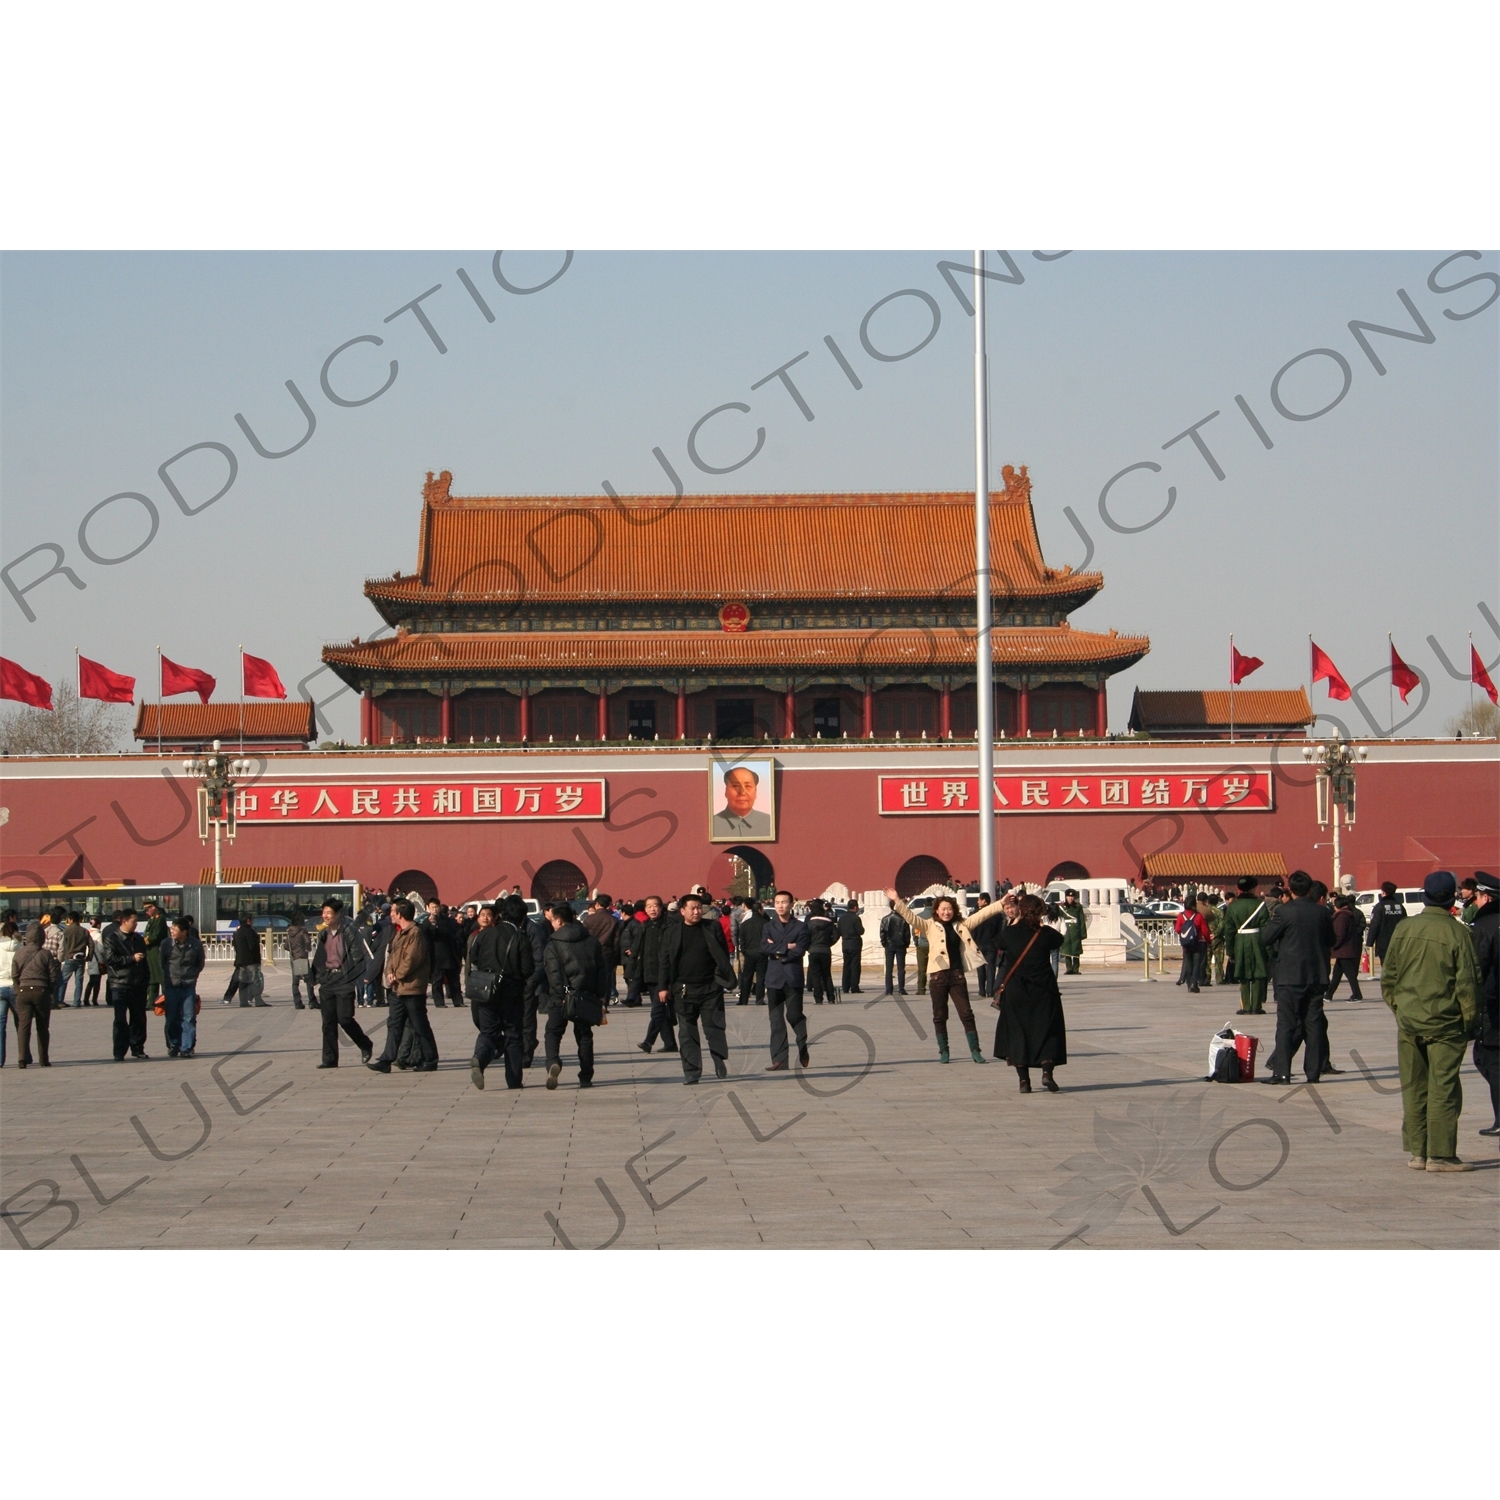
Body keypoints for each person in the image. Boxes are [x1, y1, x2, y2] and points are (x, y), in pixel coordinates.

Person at [1380, 870, 1482, 1171]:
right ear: (1453, 897)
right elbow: (1467, 985)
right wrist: (1470, 1021)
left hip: (1410, 1021)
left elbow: (1390, 978)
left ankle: (1418, 1151)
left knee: (1414, 1086)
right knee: (1444, 1087)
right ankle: (1441, 1154)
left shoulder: (1404, 928)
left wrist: (1401, 1008)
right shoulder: (1459, 934)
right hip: (1446, 1024)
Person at [885, 888, 1007, 1065]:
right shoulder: (929, 926)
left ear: (954, 910)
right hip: (938, 977)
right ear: (936, 910)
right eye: (943, 909)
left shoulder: (961, 925)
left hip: (956, 975)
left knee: (966, 1013)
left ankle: (975, 1050)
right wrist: (897, 900)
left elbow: (982, 915)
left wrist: (1000, 904)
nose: (946, 912)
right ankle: (944, 1050)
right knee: (939, 1015)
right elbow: (910, 917)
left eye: (949, 909)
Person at [1257, 869, 1336, 1085]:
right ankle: (1313, 1073)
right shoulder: (1322, 913)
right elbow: (1331, 940)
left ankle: (1282, 1072)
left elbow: (1266, 937)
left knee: (1286, 1025)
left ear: (1290, 889)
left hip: (1290, 977)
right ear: (1310, 889)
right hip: (1316, 975)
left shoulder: (1285, 912)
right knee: (1314, 1024)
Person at [990, 892, 1069, 1092]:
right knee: (1047, 1031)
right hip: (1044, 990)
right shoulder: (1047, 934)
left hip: (1017, 991)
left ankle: (1023, 1080)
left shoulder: (1009, 933)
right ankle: (1046, 1071)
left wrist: (1014, 921)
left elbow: (997, 943)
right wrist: (1039, 924)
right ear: (1041, 911)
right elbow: (1059, 940)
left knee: (1018, 1033)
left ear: (1020, 910)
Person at [658, 891, 735, 1084]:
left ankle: (718, 1059)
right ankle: (692, 1072)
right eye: (692, 908)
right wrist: (663, 987)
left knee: (714, 1028)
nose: (697, 911)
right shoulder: (672, 932)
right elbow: (665, 962)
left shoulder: (712, 927)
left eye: (699, 908)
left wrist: (720, 979)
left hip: (710, 988)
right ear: (682, 911)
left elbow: (722, 957)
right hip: (683, 990)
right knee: (687, 1033)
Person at [466, 896, 535, 1090]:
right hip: (512, 992)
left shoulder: (485, 934)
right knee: (513, 1034)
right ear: (522, 917)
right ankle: (514, 1080)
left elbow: (475, 958)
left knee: (488, 1031)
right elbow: (528, 968)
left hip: (486, 991)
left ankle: (479, 1058)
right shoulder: (520, 937)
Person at [542, 901, 607, 1089]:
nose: (552, 923)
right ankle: (586, 1076)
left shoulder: (554, 944)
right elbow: (601, 970)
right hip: (586, 995)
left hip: (561, 996)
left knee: (553, 1032)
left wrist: (560, 994)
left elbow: (553, 974)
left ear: (560, 921)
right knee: (584, 1035)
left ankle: (553, 1061)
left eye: (553, 920)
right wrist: (600, 995)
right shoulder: (591, 940)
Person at [365, 899, 432, 1072]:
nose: (391, 914)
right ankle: (386, 1060)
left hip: (411, 987)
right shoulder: (399, 932)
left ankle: (431, 1058)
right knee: (394, 1023)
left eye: (393, 911)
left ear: (400, 914)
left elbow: (412, 959)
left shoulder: (415, 933)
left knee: (419, 1024)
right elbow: (392, 957)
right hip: (397, 988)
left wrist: (397, 975)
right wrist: (389, 972)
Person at [309, 897, 376, 1069]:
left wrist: (354, 977)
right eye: (324, 912)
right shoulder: (323, 933)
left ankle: (365, 1044)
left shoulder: (349, 932)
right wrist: (316, 977)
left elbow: (356, 956)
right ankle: (329, 1059)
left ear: (338, 914)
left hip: (344, 979)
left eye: (329, 913)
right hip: (328, 980)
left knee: (345, 1018)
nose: (325, 915)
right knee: (328, 1022)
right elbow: (320, 957)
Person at [761, 890, 810, 1071]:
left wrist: (777, 950)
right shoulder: (768, 926)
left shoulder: (800, 927)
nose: (780, 905)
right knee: (776, 1020)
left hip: (792, 977)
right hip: (773, 979)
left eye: (784, 902)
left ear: (791, 904)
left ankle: (802, 1043)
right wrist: (786, 947)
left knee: (794, 1015)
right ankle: (780, 1060)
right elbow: (764, 947)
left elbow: (801, 949)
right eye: (777, 902)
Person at [1466, 871, 1498, 1137]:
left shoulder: (1485, 928)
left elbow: (1476, 971)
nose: (1475, 902)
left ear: (1486, 897)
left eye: (1477, 897)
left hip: (1493, 1009)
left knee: (1487, 1060)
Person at [101, 908, 151, 1060]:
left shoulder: (138, 938)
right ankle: (119, 1051)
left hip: (138, 985)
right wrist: (131, 958)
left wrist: (145, 980)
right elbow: (111, 960)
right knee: (120, 1020)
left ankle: (137, 1047)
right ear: (124, 921)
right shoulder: (112, 938)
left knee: (139, 1019)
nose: (136, 924)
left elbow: (144, 961)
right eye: (134, 921)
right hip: (120, 984)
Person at [12, 920, 59, 1068]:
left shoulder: (19, 953)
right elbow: (53, 975)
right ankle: (43, 1058)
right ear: (41, 937)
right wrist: (50, 990)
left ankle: (21, 1058)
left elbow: (14, 975)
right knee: (42, 1027)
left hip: (23, 991)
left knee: (23, 1026)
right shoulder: (45, 954)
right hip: (42, 990)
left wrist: (17, 989)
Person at [635, 895, 678, 1052]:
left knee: (658, 1010)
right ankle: (670, 1043)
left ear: (662, 908)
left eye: (655, 906)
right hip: (650, 974)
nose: (652, 909)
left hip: (665, 975)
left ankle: (648, 1041)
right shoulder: (645, 926)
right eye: (649, 906)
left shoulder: (669, 926)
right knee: (662, 1010)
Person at [1223, 877, 1271, 1014]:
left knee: (1242, 973)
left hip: (1240, 940)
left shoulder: (1233, 906)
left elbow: (1229, 930)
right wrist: (1269, 949)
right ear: (1253, 888)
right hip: (1257, 939)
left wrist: (1230, 949)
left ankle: (1245, 1006)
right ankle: (1256, 1006)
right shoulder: (1260, 905)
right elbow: (1266, 928)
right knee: (1257, 973)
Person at [160, 915, 205, 1059]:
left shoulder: (196, 945)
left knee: (189, 1017)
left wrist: (192, 976)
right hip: (171, 986)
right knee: (172, 1018)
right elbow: (162, 964)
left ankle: (186, 1047)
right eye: (171, 928)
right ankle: (174, 1045)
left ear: (184, 931)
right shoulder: (166, 944)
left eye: (174, 929)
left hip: (188, 986)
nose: (171, 931)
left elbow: (200, 963)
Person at [1327, 894, 1367, 1001]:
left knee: (1350, 975)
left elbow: (1340, 934)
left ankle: (1357, 995)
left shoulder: (1342, 917)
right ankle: (1328, 995)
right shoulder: (1350, 914)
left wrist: (1333, 946)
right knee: (1337, 974)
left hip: (1344, 950)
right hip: (1346, 950)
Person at [581, 894, 620, 1004]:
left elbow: (584, 936)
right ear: (608, 905)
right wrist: (615, 955)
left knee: (592, 977)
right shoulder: (613, 920)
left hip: (591, 952)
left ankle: (593, 1001)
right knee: (606, 979)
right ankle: (604, 1002)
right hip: (607, 952)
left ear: (597, 904)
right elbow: (616, 941)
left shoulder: (589, 919)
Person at [713, 765, 771, 837]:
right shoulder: (711, 825)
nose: (742, 792)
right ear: (726, 791)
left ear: (755, 792)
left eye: (748, 786)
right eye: (736, 786)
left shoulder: (770, 823)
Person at [425, 900, 463, 1007]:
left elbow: (454, 931)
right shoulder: (426, 921)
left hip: (449, 953)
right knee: (437, 980)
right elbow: (424, 934)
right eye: (432, 907)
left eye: (436, 907)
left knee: (454, 980)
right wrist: (431, 925)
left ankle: (458, 1001)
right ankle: (439, 1002)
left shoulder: (447, 920)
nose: (435, 909)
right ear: (428, 908)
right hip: (436, 955)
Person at [1366, 881, 1407, 976]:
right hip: (1399, 943)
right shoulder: (1400, 907)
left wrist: (1370, 942)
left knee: (1387, 970)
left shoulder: (1379, 907)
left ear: (1383, 892)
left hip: (1384, 944)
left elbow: (1374, 925)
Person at [805, 898, 838, 1005]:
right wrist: (828, 943)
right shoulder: (829, 923)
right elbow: (836, 935)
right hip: (825, 951)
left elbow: (805, 937)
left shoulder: (809, 924)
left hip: (813, 951)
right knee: (827, 975)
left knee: (815, 976)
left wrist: (808, 947)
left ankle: (818, 999)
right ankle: (831, 998)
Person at [229, 913, 267, 1008]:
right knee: (256, 980)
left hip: (241, 961)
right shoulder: (250, 932)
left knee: (243, 981)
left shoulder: (237, 932)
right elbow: (252, 946)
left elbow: (235, 946)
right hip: (251, 960)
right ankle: (258, 1000)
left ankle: (243, 1001)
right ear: (248, 921)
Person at [1174, 898, 1211, 992]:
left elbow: (1177, 929)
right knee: (1197, 964)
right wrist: (1208, 940)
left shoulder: (1181, 916)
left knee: (1189, 964)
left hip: (1186, 944)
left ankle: (1189, 983)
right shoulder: (1198, 916)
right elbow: (1205, 930)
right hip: (1197, 943)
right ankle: (1194, 983)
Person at [736, 898, 768, 1005]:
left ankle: (743, 1000)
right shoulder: (765, 924)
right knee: (760, 977)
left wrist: (744, 951)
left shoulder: (745, 924)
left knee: (747, 977)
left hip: (749, 952)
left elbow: (742, 939)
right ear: (759, 910)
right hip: (762, 953)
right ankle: (759, 999)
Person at [57, 910, 90, 1009]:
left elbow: (63, 945)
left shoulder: (67, 931)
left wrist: (63, 956)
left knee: (63, 980)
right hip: (81, 958)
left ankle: (60, 1000)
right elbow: (91, 944)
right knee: (79, 980)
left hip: (70, 958)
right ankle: (77, 1001)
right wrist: (89, 956)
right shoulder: (84, 931)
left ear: (70, 920)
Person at [285, 911, 316, 1010]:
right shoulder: (303, 931)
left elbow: (286, 946)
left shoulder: (289, 932)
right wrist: (307, 949)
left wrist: (293, 950)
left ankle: (297, 1002)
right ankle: (312, 1001)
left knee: (295, 982)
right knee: (309, 980)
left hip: (294, 958)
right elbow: (307, 941)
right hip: (302, 957)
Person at [880, 898, 911, 995]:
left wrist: (884, 943)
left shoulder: (885, 919)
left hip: (889, 945)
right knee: (901, 968)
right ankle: (901, 988)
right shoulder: (903, 919)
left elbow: (882, 933)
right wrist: (906, 944)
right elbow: (907, 934)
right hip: (901, 945)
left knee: (889, 968)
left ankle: (889, 989)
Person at [619, 899, 647, 1006]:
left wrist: (632, 949)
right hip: (626, 955)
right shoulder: (626, 924)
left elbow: (637, 938)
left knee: (630, 976)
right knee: (628, 976)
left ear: (624, 913)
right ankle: (636, 998)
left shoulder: (634, 924)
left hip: (631, 955)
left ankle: (633, 998)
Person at [141, 900, 168, 1013]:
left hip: (157, 950)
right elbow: (146, 933)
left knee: (161, 975)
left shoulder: (160, 918)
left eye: (148, 909)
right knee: (152, 977)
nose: (147, 911)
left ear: (154, 907)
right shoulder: (152, 919)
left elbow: (155, 936)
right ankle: (151, 1001)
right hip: (150, 951)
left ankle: (166, 1000)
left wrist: (146, 939)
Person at [1057, 890, 1088, 976]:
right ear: (1066, 897)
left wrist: (1082, 932)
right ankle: (1069, 968)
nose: (1070, 898)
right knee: (1067, 949)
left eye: (1072, 897)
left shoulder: (1078, 907)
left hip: (1075, 930)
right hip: (1066, 930)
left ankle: (1076, 968)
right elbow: (1060, 919)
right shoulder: (1062, 907)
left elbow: (1081, 920)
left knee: (1075, 950)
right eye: (1069, 896)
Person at [837, 900, 865, 994]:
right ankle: (854, 986)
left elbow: (839, 931)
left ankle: (845, 986)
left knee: (846, 965)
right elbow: (860, 931)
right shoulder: (855, 918)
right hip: (855, 943)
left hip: (845, 943)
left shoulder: (842, 918)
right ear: (855, 907)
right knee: (855, 966)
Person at [0, 917, 18, 1067]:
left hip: (0, 987)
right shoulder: (20, 948)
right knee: (21, 1023)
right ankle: (24, 1056)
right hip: (15, 987)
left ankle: (0, 1059)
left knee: (0, 1025)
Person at [82, 916, 105, 1006]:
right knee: (96, 981)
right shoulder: (98, 935)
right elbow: (100, 949)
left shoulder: (87, 933)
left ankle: (86, 999)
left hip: (89, 959)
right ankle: (94, 999)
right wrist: (102, 960)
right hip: (96, 960)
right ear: (99, 925)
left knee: (91, 980)